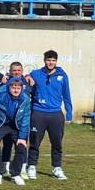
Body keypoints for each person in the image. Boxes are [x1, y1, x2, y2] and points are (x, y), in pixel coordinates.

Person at [26, 50, 72, 181]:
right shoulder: (36, 74)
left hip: (55, 114)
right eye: (48, 60)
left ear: (56, 61)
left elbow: (67, 95)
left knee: (57, 142)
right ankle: (32, 166)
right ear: (44, 60)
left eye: (53, 60)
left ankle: (57, 168)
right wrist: (27, 76)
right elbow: (24, 80)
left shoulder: (62, 75)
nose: (51, 63)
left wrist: (69, 113)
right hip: (38, 113)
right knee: (34, 141)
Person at [0, 77, 31, 186]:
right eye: (13, 87)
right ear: (8, 87)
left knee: (22, 147)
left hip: (15, 126)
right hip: (1, 124)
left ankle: (15, 174)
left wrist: (22, 137)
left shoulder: (25, 99)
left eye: (18, 88)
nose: (16, 90)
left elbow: (25, 119)